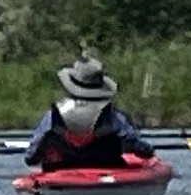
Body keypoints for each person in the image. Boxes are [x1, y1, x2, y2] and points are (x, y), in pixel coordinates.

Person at [26, 55, 157, 172]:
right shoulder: (114, 117)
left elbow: (31, 157)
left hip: (59, 172)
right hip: (107, 172)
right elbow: (142, 149)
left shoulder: (52, 116)